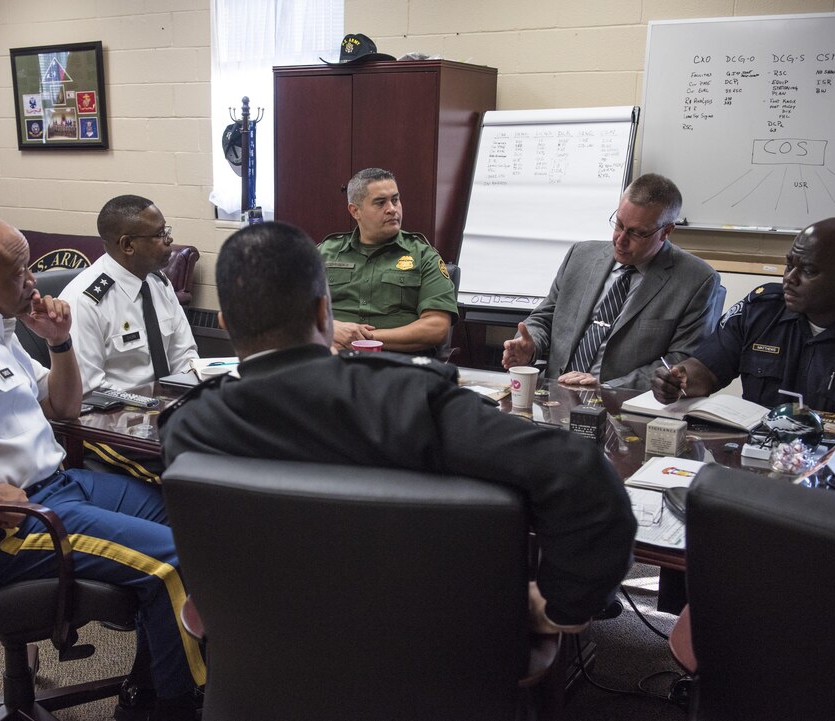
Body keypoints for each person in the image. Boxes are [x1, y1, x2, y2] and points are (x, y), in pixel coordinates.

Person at [159, 221, 636, 632]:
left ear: (223, 322)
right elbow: (582, 475)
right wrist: (562, 606)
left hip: (261, 662)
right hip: (435, 656)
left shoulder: (188, 428)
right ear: (325, 312)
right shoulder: (409, 401)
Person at [0, 211, 205, 721]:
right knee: (174, 564)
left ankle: (149, 683)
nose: (33, 281)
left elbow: (63, 406)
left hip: (60, 486)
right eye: (21, 272)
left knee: (197, 525)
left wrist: (59, 340)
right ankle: (175, 709)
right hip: (0, 525)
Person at [652, 217, 835, 421]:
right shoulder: (761, 309)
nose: (789, 278)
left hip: (834, 482)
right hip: (753, 459)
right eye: (790, 264)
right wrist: (679, 380)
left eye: (808, 270)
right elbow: (707, 370)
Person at [502, 173, 723, 389]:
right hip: (553, 394)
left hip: (621, 406)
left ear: (666, 231)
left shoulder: (697, 281)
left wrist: (606, 387)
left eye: (637, 233)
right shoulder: (580, 256)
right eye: (618, 224)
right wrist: (531, 346)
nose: (620, 240)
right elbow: (545, 317)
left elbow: (681, 362)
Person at [61, 195, 197, 482]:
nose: (169, 240)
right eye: (160, 234)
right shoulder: (85, 301)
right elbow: (90, 391)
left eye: (167, 231)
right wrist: (153, 410)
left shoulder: (159, 282)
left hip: (164, 416)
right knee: (193, 476)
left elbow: (185, 356)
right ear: (127, 245)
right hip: (110, 426)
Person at [318, 168, 458, 354]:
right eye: (380, 202)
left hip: (396, 363)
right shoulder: (325, 252)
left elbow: (437, 328)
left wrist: (362, 340)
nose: (392, 209)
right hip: (331, 360)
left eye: (395, 200)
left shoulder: (423, 255)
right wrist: (332, 328)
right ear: (355, 211)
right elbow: (292, 311)